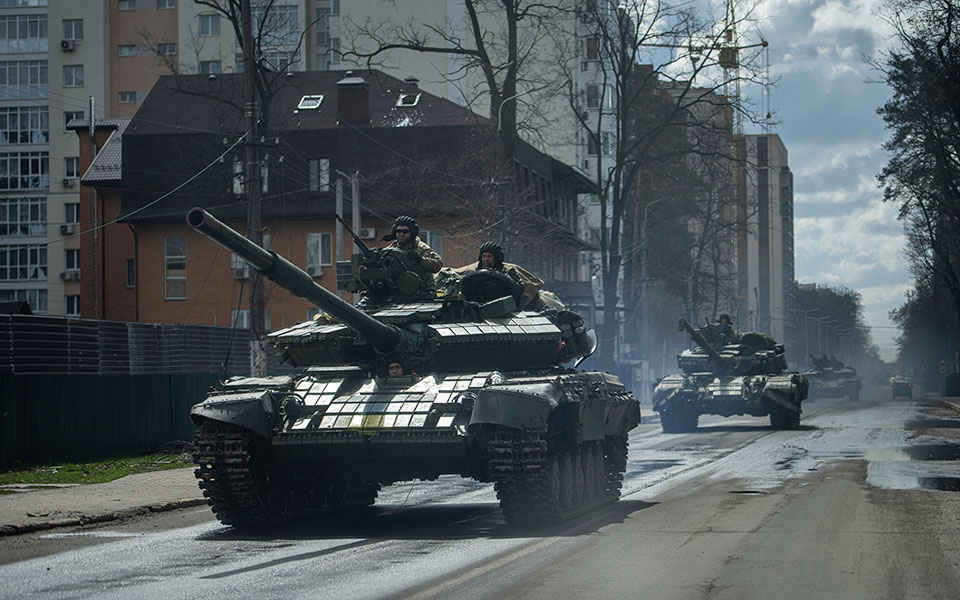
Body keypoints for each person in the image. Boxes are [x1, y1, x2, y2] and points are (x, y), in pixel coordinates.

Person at [454, 241, 545, 310]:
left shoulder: (508, 271)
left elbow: (519, 289)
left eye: (489, 256)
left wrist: (510, 281)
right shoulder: (475, 274)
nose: (486, 259)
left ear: (496, 258)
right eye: (484, 256)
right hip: (478, 307)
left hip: (504, 307)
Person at [381, 215, 443, 291]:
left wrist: (420, 259)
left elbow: (437, 264)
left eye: (405, 232)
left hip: (423, 291)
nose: (401, 234)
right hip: (398, 291)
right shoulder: (391, 250)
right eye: (398, 231)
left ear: (413, 233)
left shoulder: (421, 248)